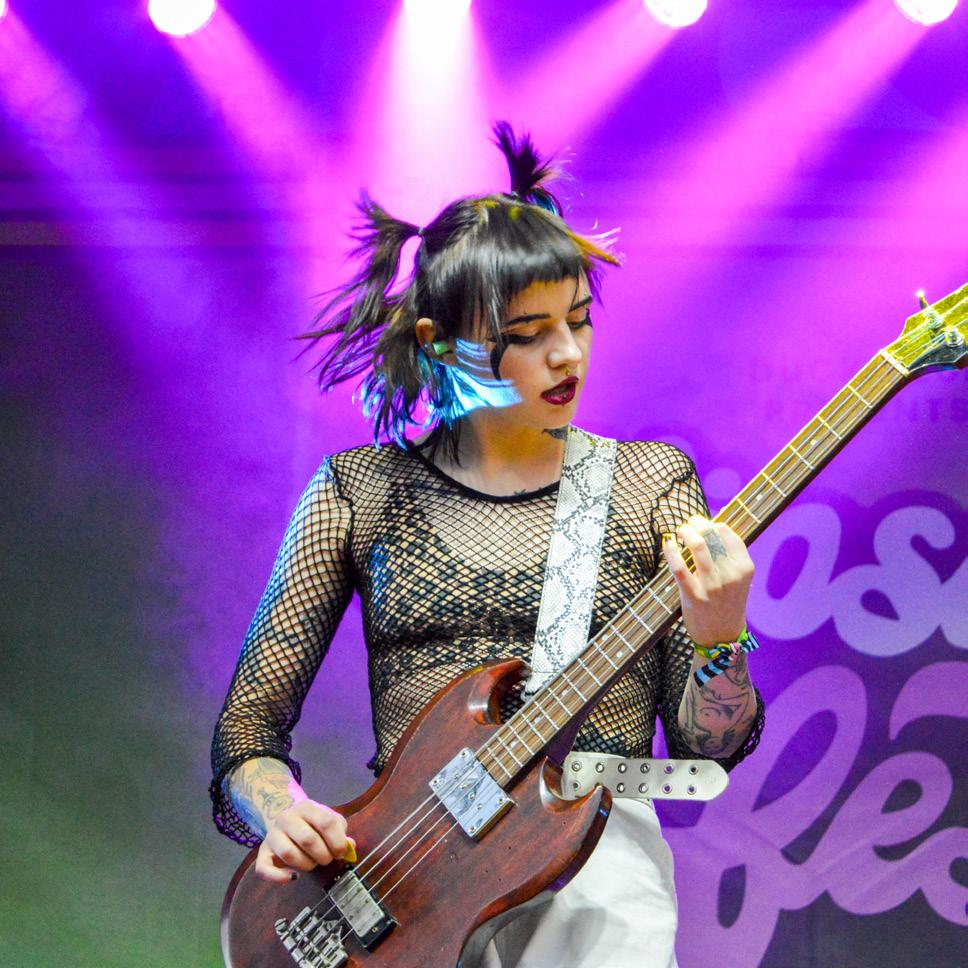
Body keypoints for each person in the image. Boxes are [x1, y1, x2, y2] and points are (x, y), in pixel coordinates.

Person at [210, 123, 763, 968]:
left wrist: (720, 638)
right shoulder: (358, 491)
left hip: (595, 873)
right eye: (529, 332)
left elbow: (708, 747)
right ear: (439, 340)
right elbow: (247, 728)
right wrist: (279, 810)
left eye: (578, 320)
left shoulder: (648, 482)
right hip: (404, 883)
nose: (567, 354)